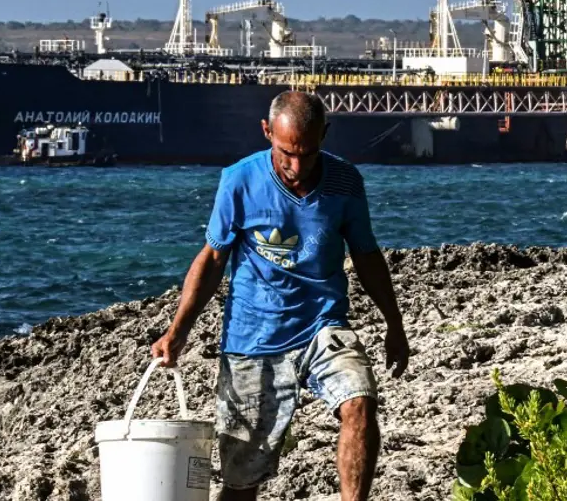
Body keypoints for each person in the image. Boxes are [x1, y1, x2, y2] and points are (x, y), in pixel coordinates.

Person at [151, 90, 409, 501]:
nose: (295, 165)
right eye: (286, 152)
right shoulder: (239, 180)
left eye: (307, 154)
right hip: (253, 339)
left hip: (324, 327)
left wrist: (394, 326)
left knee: (360, 401)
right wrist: (177, 331)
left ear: (325, 134)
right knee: (241, 481)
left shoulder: (345, 182)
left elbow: (366, 256)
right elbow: (213, 259)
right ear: (267, 132)